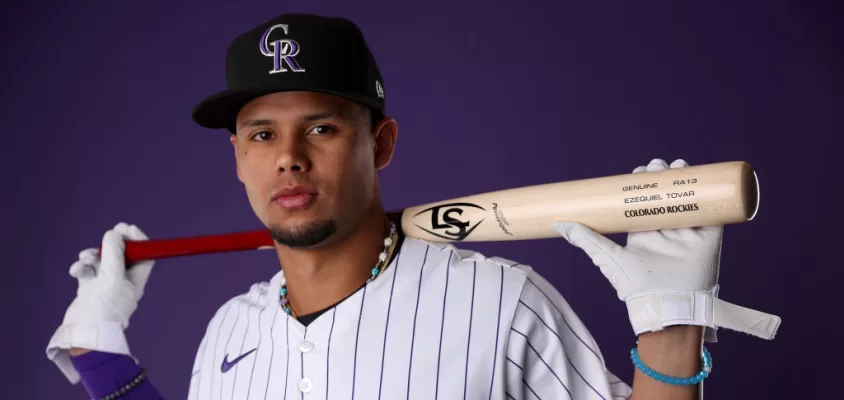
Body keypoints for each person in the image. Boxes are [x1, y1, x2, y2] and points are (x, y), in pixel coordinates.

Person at [45, 12, 781, 400]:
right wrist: (99, 353)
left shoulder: (500, 300)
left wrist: (671, 328)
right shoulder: (228, 333)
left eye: (322, 128)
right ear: (238, 156)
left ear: (383, 142)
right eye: (261, 134)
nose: (288, 157)